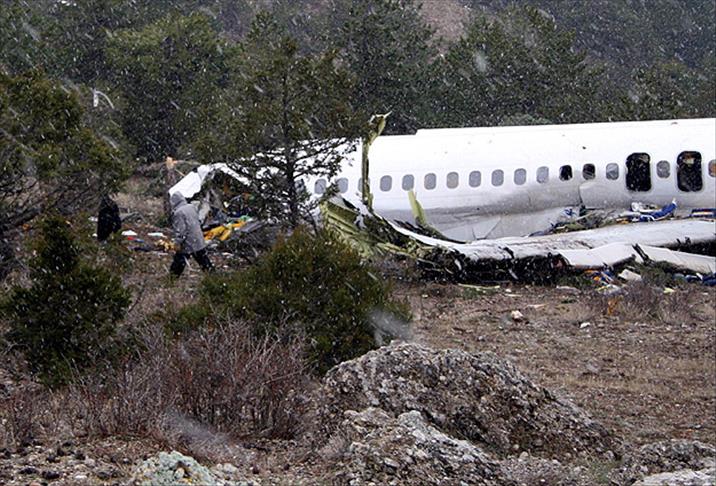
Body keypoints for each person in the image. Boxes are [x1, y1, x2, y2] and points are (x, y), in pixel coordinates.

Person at [169, 191, 213, 276]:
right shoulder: (191, 207)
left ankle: (171, 278)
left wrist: (176, 242)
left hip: (188, 242)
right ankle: (214, 278)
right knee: (204, 261)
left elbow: (181, 231)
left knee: (179, 261)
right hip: (198, 238)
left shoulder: (179, 213)